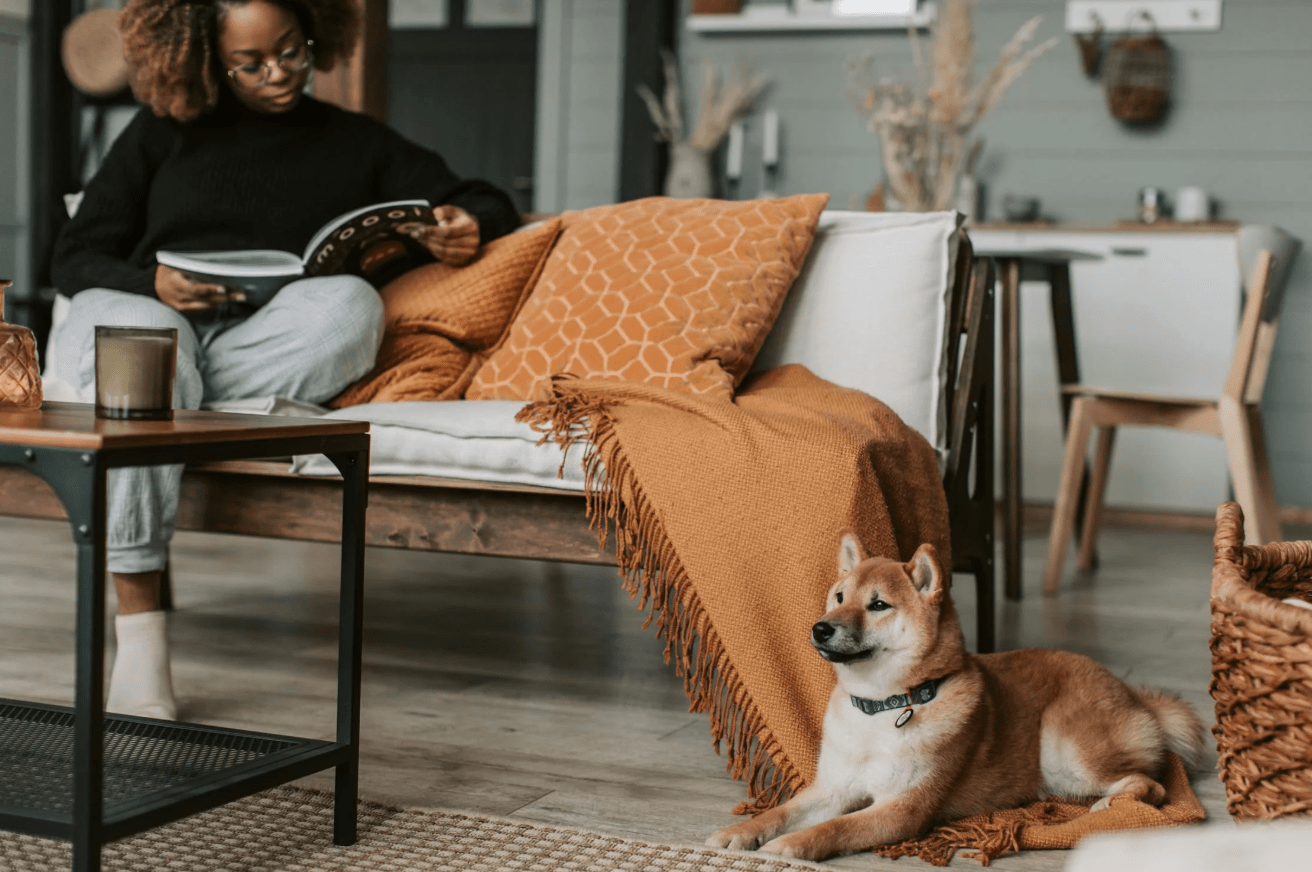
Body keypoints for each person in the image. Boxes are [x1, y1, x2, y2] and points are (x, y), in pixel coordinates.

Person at [47, 0, 520, 721]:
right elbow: (74, 256)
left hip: (251, 346)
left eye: (292, 51)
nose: (280, 73)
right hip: (139, 318)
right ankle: (140, 636)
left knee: (350, 307)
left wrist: (466, 224)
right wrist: (153, 283)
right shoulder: (161, 132)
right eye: (252, 63)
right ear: (206, 58)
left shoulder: (352, 141)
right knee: (151, 349)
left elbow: (478, 196)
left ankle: (176, 401)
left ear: (314, 34)